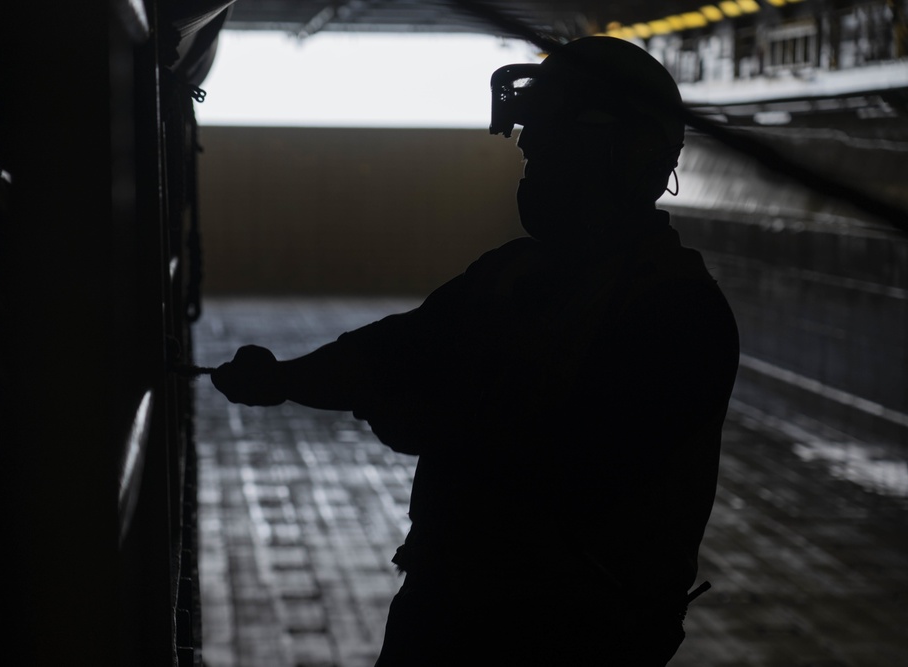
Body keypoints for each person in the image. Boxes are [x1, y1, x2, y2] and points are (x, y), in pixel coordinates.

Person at [212, 36, 739, 666]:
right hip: (456, 611)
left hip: (573, 637)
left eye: (548, 151)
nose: (530, 167)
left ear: (618, 159)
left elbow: (577, 467)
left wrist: (428, 421)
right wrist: (286, 378)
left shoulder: (677, 314)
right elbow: (399, 349)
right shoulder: (516, 272)